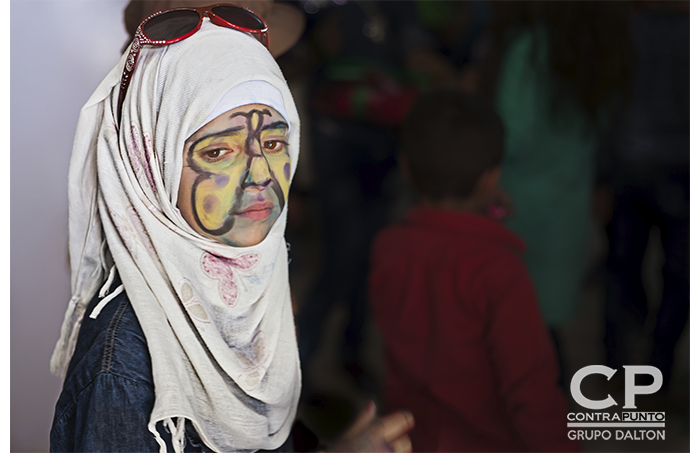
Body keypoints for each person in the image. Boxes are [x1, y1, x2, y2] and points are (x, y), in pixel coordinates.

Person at [49, 10, 412, 453]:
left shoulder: (258, 299)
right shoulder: (125, 375)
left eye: (275, 143)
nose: (260, 174)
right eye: (219, 151)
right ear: (152, 166)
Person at [369, 90, 577, 453]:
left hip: (414, 440)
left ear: (405, 167)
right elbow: (530, 391)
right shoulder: (499, 270)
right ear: (491, 180)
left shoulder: (388, 247)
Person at [476, 0, 634, 381]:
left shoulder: (530, 48)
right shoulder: (600, 50)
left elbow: (516, 135)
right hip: (568, 206)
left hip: (515, 209)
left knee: (511, 333)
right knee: (544, 329)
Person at [602, 0, 690, 390]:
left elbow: (603, 108)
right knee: (678, 279)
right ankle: (654, 369)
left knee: (623, 273)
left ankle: (624, 368)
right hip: (675, 169)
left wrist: (600, 176)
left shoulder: (623, 31)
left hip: (629, 166)